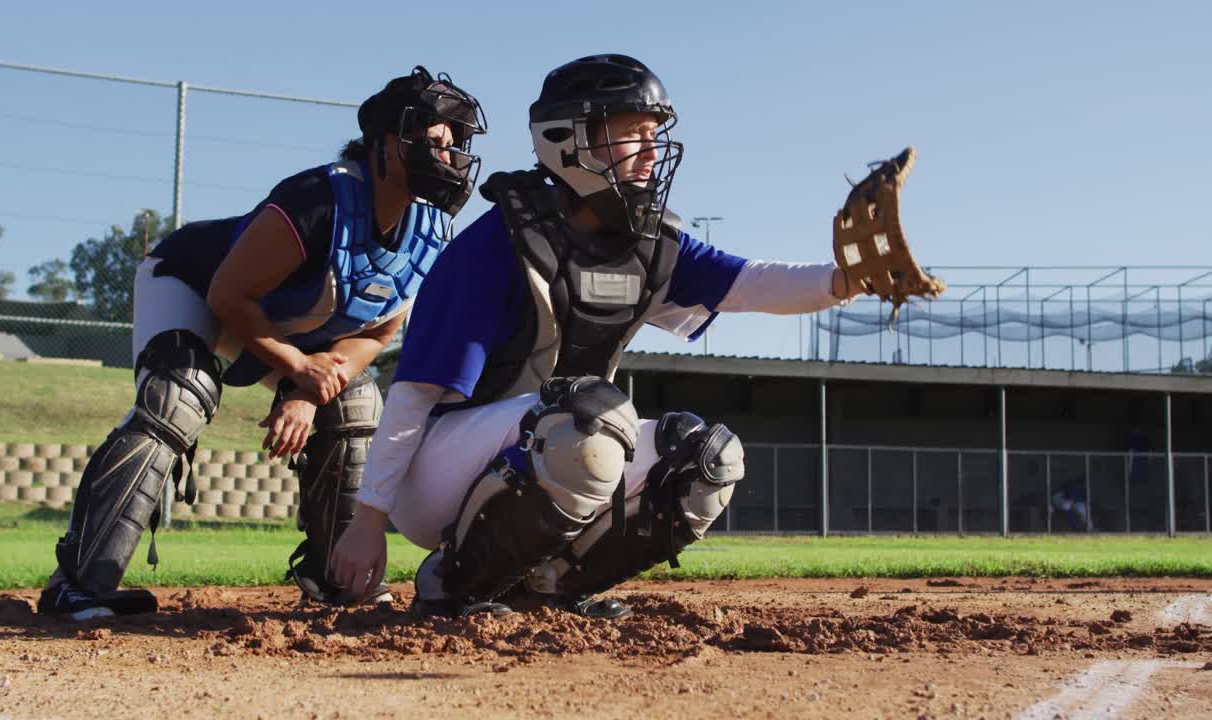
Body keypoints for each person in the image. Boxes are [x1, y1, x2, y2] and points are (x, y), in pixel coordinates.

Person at [329, 54, 867, 619]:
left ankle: (547, 587)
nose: (653, 152)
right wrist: (369, 521)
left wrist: (846, 279)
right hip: (436, 473)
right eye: (635, 134)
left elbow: (752, 283)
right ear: (570, 140)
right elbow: (414, 394)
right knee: (592, 417)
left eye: (655, 134)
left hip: (559, 440)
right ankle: (454, 584)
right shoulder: (498, 245)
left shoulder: (649, 242)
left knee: (706, 461)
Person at [38, 66, 486, 620]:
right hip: (196, 286)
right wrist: (297, 364)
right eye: (427, 137)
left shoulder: (429, 230)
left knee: (354, 401)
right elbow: (229, 294)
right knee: (178, 398)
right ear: (382, 143)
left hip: (290, 328)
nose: (443, 154)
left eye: (452, 143)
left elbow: (376, 333)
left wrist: (307, 388)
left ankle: (335, 576)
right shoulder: (318, 197)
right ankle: (77, 582)